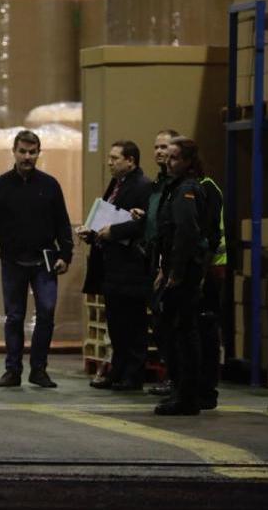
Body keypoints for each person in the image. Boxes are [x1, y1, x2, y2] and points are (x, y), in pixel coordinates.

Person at [0, 130, 74, 389]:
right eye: (23, 151)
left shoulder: (50, 185)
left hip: (45, 262)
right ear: (14, 151)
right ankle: (13, 370)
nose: (27, 157)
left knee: (46, 314)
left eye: (32, 152)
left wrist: (66, 255)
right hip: (12, 262)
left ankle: (38, 370)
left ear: (38, 153)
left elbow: (62, 222)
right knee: (15, 317)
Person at [81, 141, 153, 391]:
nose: (110, 163)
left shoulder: (143, 187)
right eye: (109, 158)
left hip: (131, 267)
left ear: (131, 161)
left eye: (115, 158)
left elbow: (144, 223)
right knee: (116, 324)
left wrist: (114, 231)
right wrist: (92, 232)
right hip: (112, 266)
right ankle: (117, 370)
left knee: (133, 324)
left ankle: (133, 376)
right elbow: (109, 215)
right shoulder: (117, 184)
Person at [152, 136, 210, 416]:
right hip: (177, 270)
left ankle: (187, 397)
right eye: (168, 156)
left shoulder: (187, 189)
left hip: (185, 273)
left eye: (174, 157)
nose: (168, 160)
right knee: (175, 332)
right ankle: (182, 392)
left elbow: (186, 233)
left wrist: (175, 272)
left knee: (184, 333)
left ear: (187, 162)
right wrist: (165, 269)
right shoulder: (173, 188)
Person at [134, 129, 180, 398]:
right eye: (157, 147)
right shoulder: (159, 185)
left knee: (173, 324)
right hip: (155, 262)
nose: (160, 152)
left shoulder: (183, 185)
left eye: (165, 147)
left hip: (172, 266)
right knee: (161, 325)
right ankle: (169, 375)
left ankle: (176, 378)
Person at [197, 174, 227, 410]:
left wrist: (203, 268)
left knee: (206, 332)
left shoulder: (207, 188)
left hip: (209, 270)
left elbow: (210, 234)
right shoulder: (172, 187)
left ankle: (207, 390)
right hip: (192, 269)